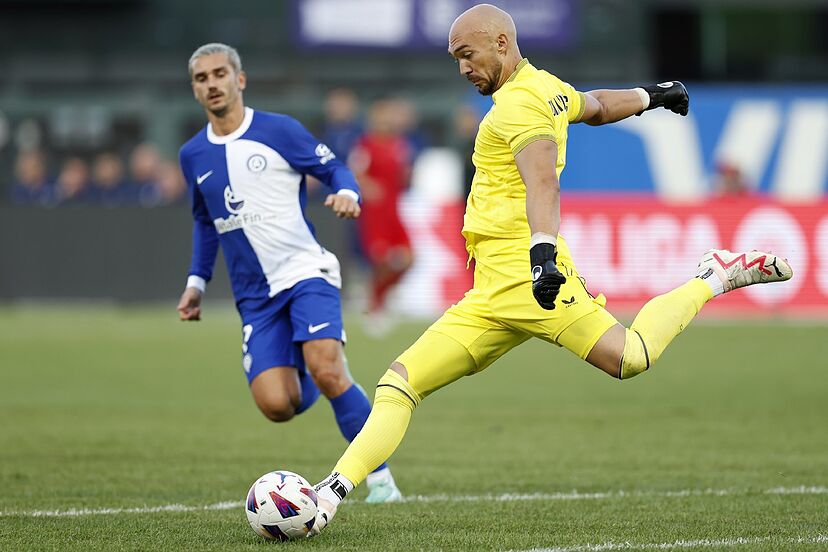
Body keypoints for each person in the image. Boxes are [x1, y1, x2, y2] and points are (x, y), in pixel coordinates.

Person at [309, 4, 792, 535]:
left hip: (529, 277)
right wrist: (654, 95)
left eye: (467, 55)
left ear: (499, 42)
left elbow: (542, 180)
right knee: (397, 385)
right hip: (490, 292)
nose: (463, 68)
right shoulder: (545, 87)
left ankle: (714, 276)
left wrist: (542, 254)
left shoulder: (516, 106)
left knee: (629, 357)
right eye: (455, 60)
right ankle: (329, 496)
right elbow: (597, 105)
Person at [175, 43, 401, 503]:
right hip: (255, 296)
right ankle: (324, 376)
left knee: (326, 368)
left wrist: (348, 194)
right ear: (195, 90)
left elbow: (335, 168)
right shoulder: (193, 154)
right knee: (278, 405)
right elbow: (204, 221)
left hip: (305, 271)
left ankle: (381, 481)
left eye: (221, 73)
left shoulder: (278, 130)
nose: (213, 83)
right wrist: (196, 282)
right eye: (202, 78)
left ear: (240, 80)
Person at [349, 98, 414, 330]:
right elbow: (355, 174)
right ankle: (375, 306)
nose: (385, 121)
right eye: (381, 116)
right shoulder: (365, 145)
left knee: (408, 259)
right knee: (382, 261)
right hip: (375, 215)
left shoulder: (399, 144)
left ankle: (378, 297)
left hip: (395, 213)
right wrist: (367, 186)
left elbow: (404, 175)